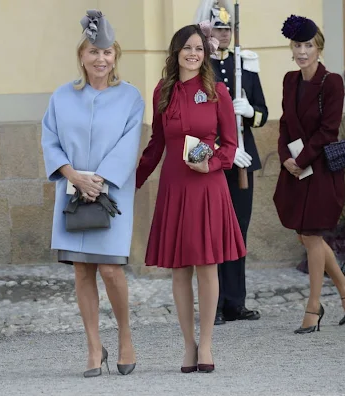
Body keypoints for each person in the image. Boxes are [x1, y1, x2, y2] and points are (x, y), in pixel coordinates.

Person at [136, 23, 246, 373]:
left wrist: (212, 164)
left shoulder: (218, 92)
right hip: (174, 186)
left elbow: (229, 145)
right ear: (176, 52)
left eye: (199, 48)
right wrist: (134, 180)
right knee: (180, 269)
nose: (193, 53)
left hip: (207, 186)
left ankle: (207, 345)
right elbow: (156, 144)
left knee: (207, 265)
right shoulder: (162, 92)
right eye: (187, 47)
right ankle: (188, 345)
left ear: (205, 53)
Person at [41, 10, 144, 377]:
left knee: (110, 269)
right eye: (93, 52)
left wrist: (98, 180)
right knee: (82, 270)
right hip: (71, 192)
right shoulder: (61, 96)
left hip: (111, 195)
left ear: (115, 56)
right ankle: (93, 347)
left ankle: (126, 337)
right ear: (81, 56)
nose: (101, 59)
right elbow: (50, 140)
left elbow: (129, 145)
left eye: (107, 52)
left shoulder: (130, 97)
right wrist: (73, 176)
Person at [274, 15, 345, 334]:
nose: (302, 52)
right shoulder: (289, 80)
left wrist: (301, 159)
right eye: (297, 45)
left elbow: (329, 131)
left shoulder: (332, 82)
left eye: (308, 46)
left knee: (312, 236)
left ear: (319, 48)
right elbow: (285, 123)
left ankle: (314, 307)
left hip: (322, 170)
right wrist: (286, 157)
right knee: (304, 234)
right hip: (296, 169)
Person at [194, 0, 267, 325]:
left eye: (227, 29)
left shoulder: (244, 66)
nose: (223, 34)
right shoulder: (200, 66)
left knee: (239, 231)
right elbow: (198, 120)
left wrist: (250, 111)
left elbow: (263, 114)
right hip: (215, 162)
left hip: (243, 162)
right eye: (218, 28)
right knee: (213, 233)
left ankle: (236, 302)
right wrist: (223, 146)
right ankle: (217, 303)